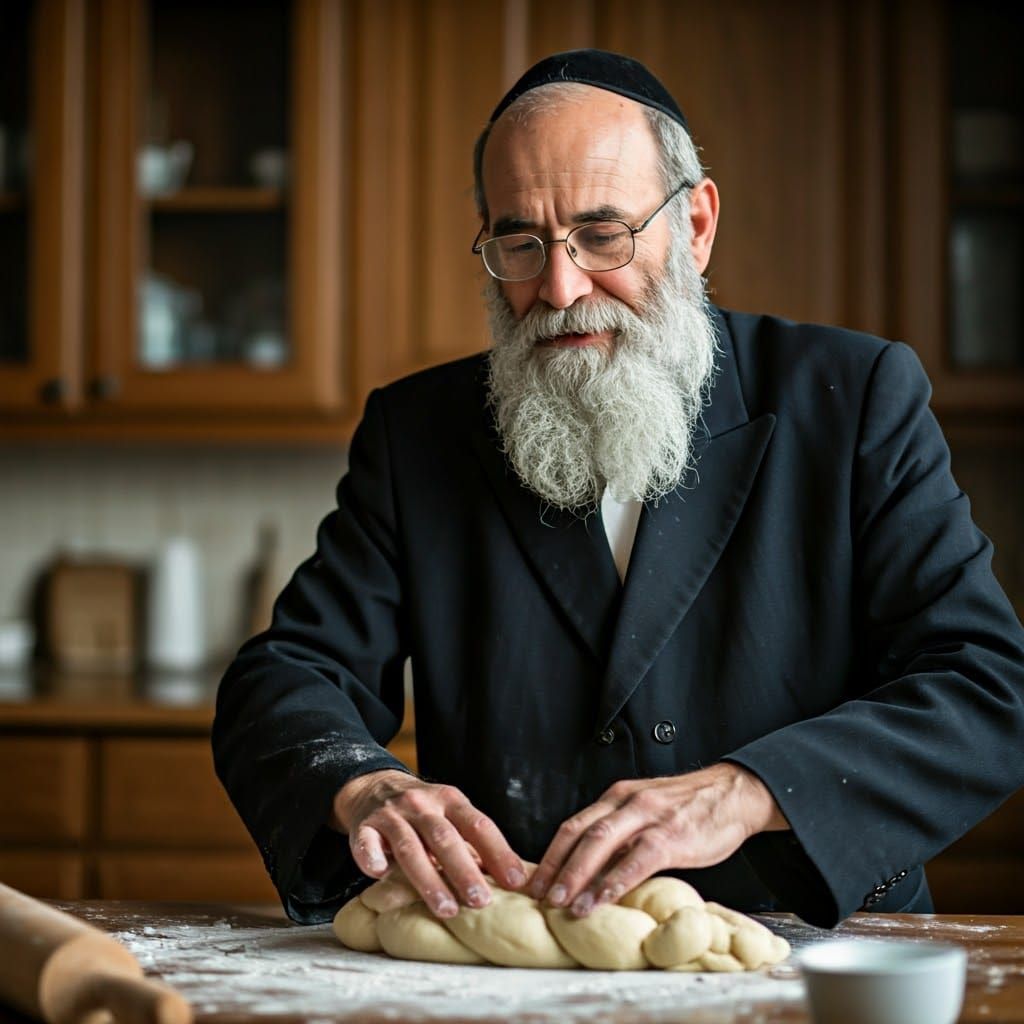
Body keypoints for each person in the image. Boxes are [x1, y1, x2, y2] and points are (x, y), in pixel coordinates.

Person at [213, 49, 1024, 929]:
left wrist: (748, 792)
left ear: (697, 224)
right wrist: (361, 786)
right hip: (530, 954)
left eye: (603, 236)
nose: (560, 289)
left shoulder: (855, 395)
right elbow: (288, 674)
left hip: (817, 946)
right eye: (520, 243)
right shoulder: (420, 432)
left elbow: (986, 688)